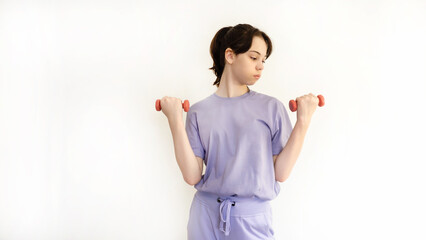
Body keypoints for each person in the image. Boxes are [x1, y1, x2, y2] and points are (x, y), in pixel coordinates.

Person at [159, 23, 319, 240]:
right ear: (230, 56)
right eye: (254, 58)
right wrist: (175, 121)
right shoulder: (198, 111)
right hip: (205, 216)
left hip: (251, 219)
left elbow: (280, 173)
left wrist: (304, 120)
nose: (261, 66)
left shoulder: (271, 108)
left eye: (263, 60)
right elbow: (192, 175)